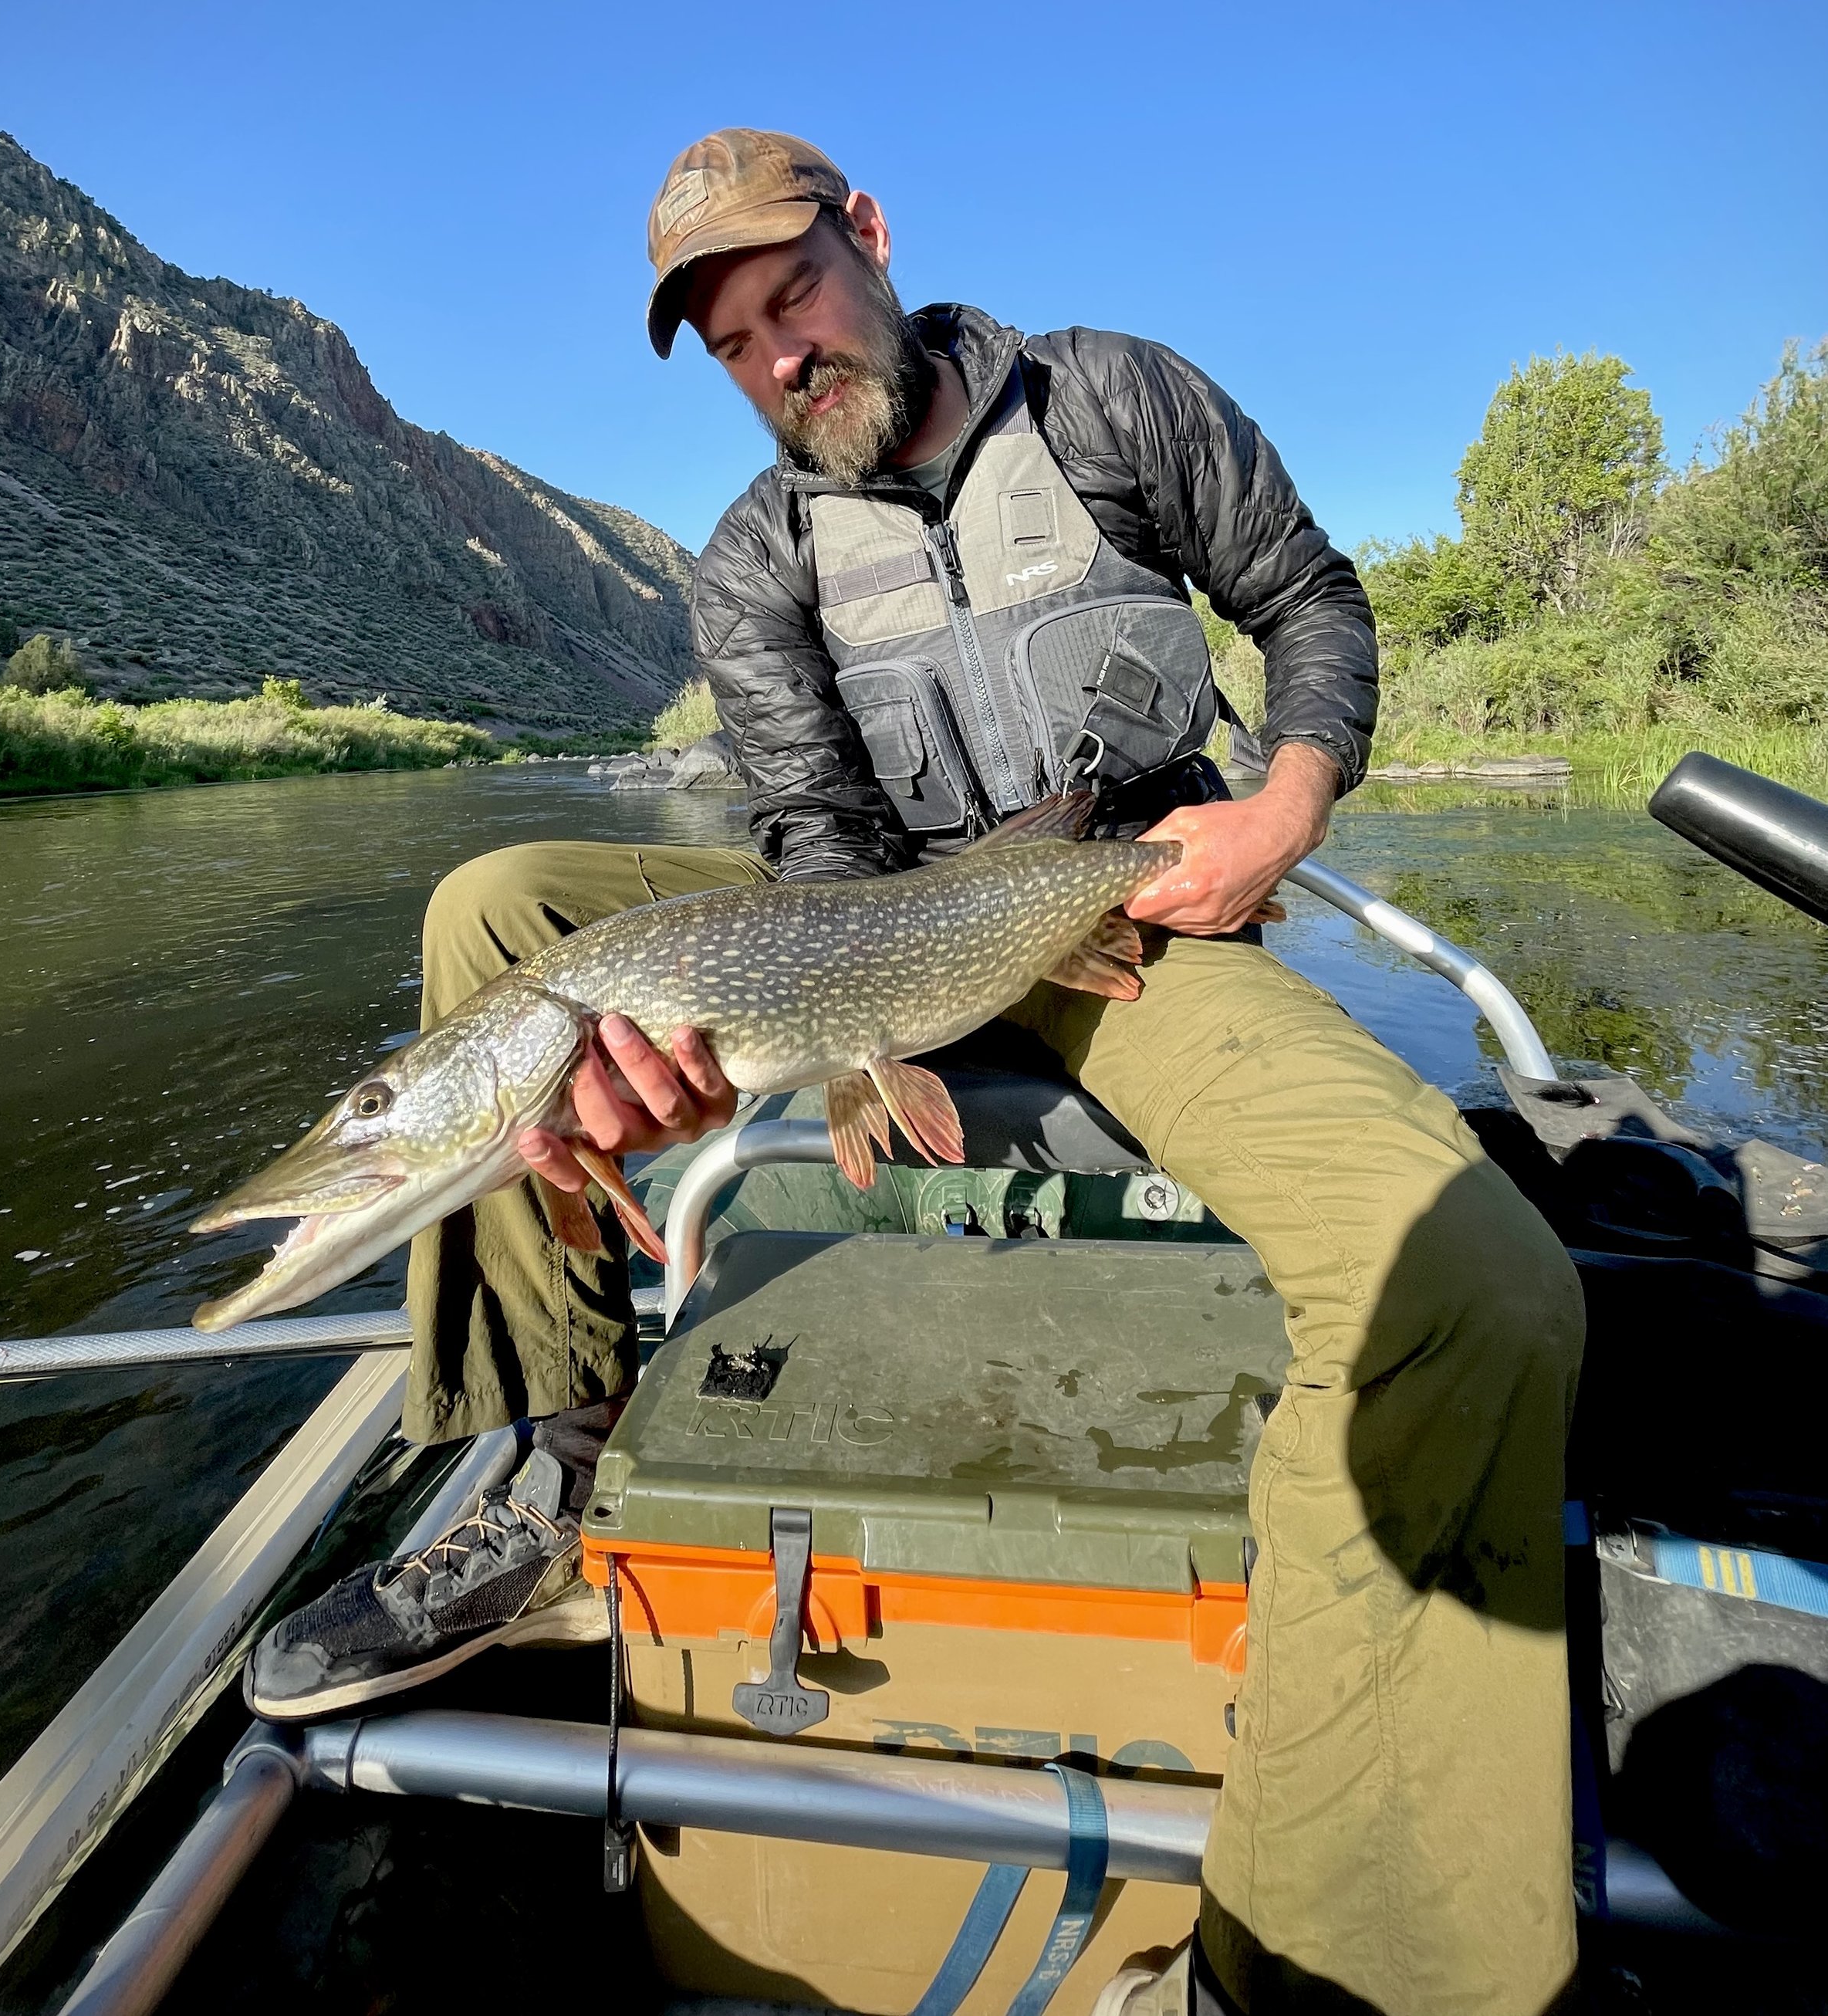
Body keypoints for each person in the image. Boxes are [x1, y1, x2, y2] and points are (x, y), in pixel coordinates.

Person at [250, 132, 1584, 2016]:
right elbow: (810, 844)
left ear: (866, 240)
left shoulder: (1112, 392)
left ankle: (1312, 1951)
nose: (776, 358)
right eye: (729, 343)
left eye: (787, 296)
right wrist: (754, 1047)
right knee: (499, 909)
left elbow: (1309, 603)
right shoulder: (752, 553)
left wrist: (1276, 809)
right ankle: (546, 1455)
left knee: (1477, 1282)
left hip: (1139, 923)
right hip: (880, 937)